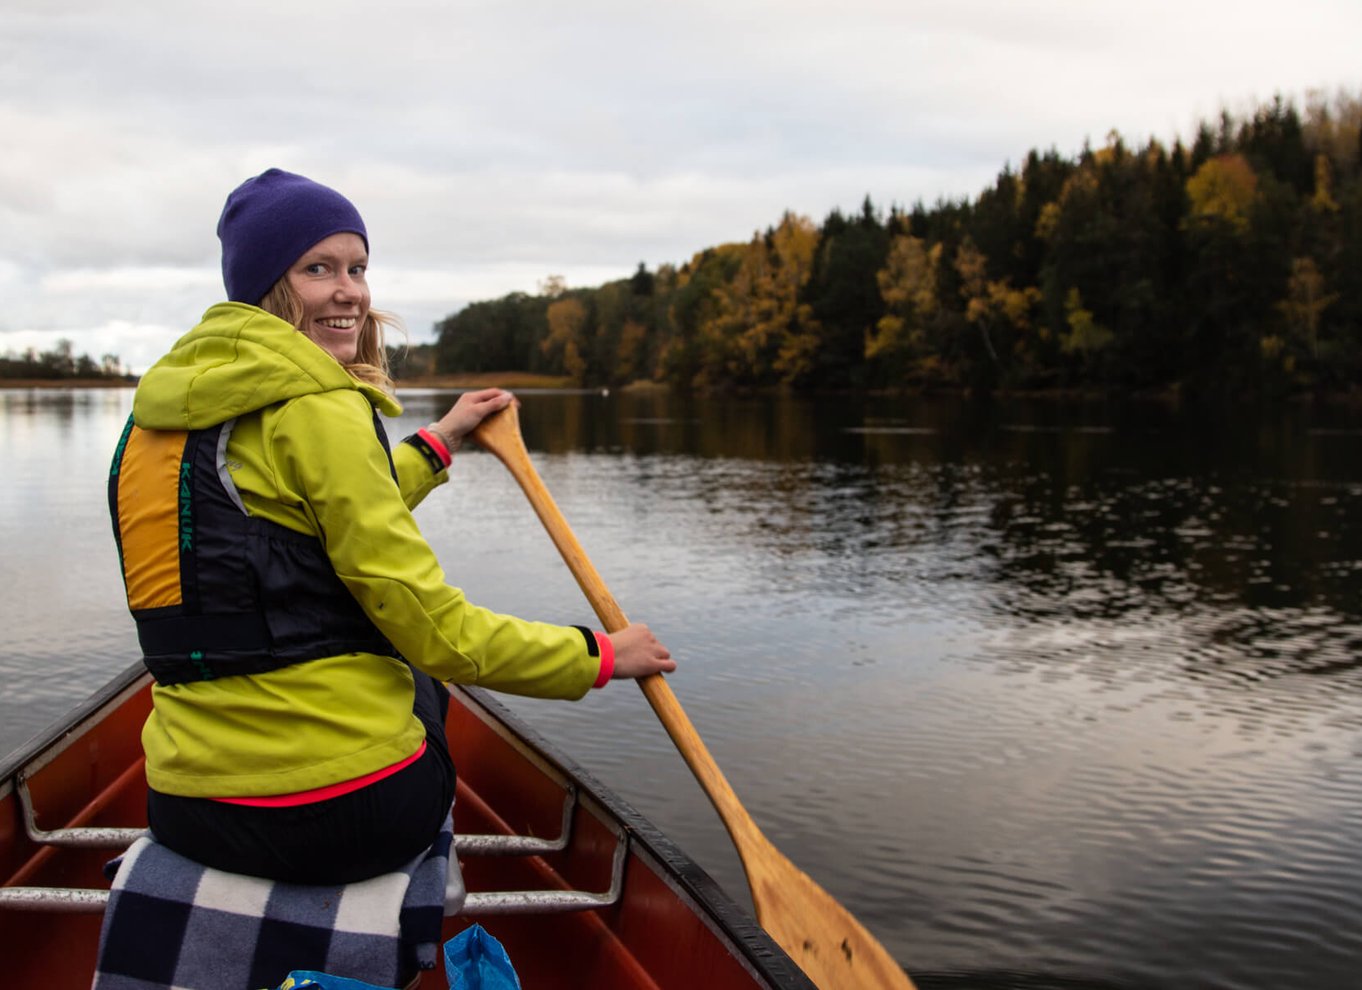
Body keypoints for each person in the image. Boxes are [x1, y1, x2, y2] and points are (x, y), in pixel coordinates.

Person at [108, 168, 675, 885]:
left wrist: (441, 440)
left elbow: (287, 524)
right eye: (319, 268)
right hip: (341, 817)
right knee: (415, 672)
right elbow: (438, 632)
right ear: (267, 284)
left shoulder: (154, 416)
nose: (350, 290)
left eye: (358, 267)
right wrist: (597, 657)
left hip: (186, 804)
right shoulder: (319, 403)